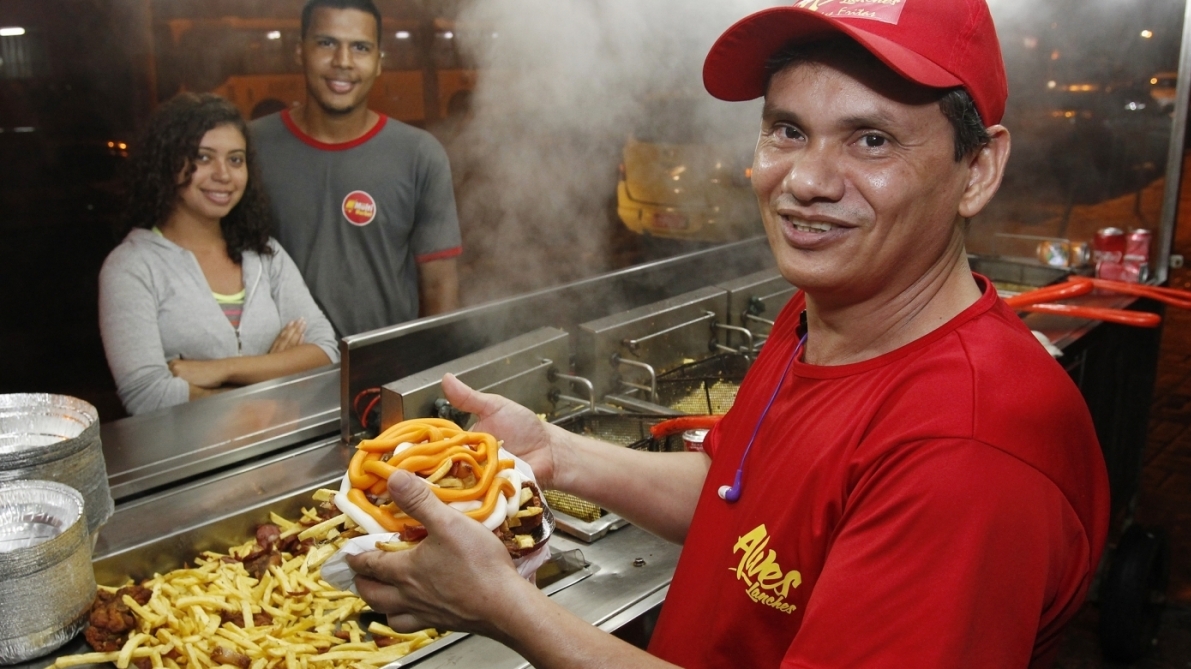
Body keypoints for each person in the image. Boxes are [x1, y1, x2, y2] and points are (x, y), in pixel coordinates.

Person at [346, 0, 1111, 667]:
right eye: (787, 129)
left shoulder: (968, 452)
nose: (807, 180)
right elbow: (752, 499)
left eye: (871, 138)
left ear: (977, 169)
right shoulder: (819, 312)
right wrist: (558, 451)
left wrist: (504, 607)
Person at [99, 93, 340, 416]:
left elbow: (326, 352)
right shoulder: (131, 267)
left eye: (235, 159)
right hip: (191, 463)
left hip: (279, 457)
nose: (223, 174)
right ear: (167, 163)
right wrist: (273, 374)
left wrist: (222, 370)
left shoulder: (263, 252)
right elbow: (148, 395)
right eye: (203, 157)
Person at [249, 0, 462, 337]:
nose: (343, 62)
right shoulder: (250, 148)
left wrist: (428, 374)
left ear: (379, 62)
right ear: (299, 52)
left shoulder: (419, 154)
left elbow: (439, 287)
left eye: (360, 47)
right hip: (280, 375)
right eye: (326, 43)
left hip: (385, 374)